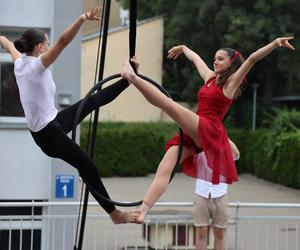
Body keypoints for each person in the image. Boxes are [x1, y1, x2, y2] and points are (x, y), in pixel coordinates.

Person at [121, 37, 295, 224]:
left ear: (231, 63)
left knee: (169, 105)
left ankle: (132, 77)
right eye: (215, 58)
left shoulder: (230, 84)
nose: (216, 61)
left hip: (208, 128)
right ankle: (143, 210)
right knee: (165, 167)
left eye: (221, 59)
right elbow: (196, 59)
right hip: (197, 131)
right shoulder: (210, 78)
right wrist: (184, 47)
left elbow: (252, 58)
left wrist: (275, 43)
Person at [0, 6, 138, 224]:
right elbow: (63, 41)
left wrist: (3, 39)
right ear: (40, 47)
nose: (50, 45)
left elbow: (6, 42)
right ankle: (115, 215)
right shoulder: (36, 66)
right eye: (47, 42)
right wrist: (83, 18)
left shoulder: (19, 62)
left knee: (90, 101)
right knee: (88, 166)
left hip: (51, 122)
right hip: (48, 134)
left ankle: (128, 79)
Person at [193, 144, 239, 250]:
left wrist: (224, 136)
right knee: (201, 232)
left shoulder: (225, 149)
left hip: (220, 194)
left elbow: (236, 155)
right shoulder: (200, 145)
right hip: (202, 194)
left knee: (219, 233)